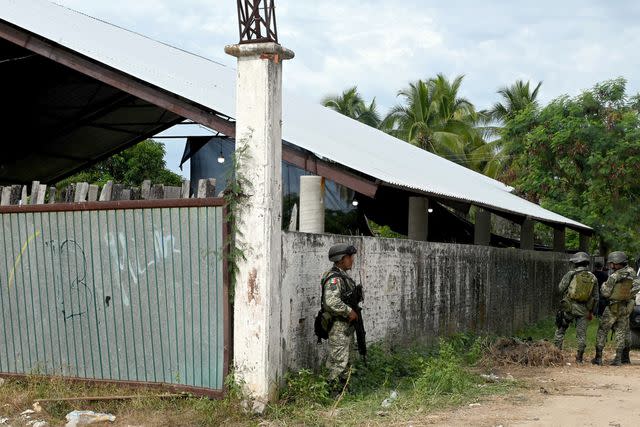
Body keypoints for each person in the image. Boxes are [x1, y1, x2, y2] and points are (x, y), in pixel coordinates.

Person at [592, 251, 640, 366]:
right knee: (622, 332)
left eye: (612, 263)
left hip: (613, 307)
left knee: (602, 330)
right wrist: (628, 295)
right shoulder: (632, 272)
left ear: (617, 263)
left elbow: (606, 293)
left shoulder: (614, 276)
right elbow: (637, 287)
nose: (610, 265)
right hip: (625, 307)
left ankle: (598, 358)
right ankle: (620, 359)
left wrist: (603, 286)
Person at [321, 243, 359, 388]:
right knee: (338, 362)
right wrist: (349, 311)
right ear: (341, 259)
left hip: (346, 326)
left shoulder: (344, 277)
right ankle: (333, 392)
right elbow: (331, 301)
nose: (352, 260)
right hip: (338, 326)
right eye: (349, 257)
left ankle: (343, 390)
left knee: (347, 360)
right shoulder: (334, 278)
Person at [553, 252, 598, 363]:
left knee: (560, 330)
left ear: (575, 263)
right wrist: (591, 311)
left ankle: (556, 355)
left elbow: (560, 288)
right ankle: (579, 358)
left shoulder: (571, 274)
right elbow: (596, 296)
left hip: (569, 308)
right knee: (581, 335)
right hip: (584, 310)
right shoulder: (593, 277)